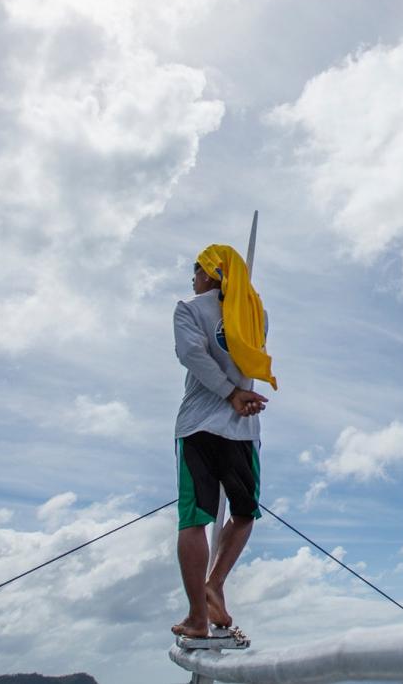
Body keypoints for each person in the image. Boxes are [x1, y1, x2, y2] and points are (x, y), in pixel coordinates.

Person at [171, 244, 277, 642]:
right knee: (245, 512)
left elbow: (191, 355)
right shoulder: (257, 313)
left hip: (199, 424)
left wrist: (227, 393)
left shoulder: (190, 308)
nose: (193, 281)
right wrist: (237, 394)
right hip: (242, 426)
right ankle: (215, 583)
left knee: (195, 517)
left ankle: (199, 614)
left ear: (211, 272)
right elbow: (247, 357)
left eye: (195, 272)